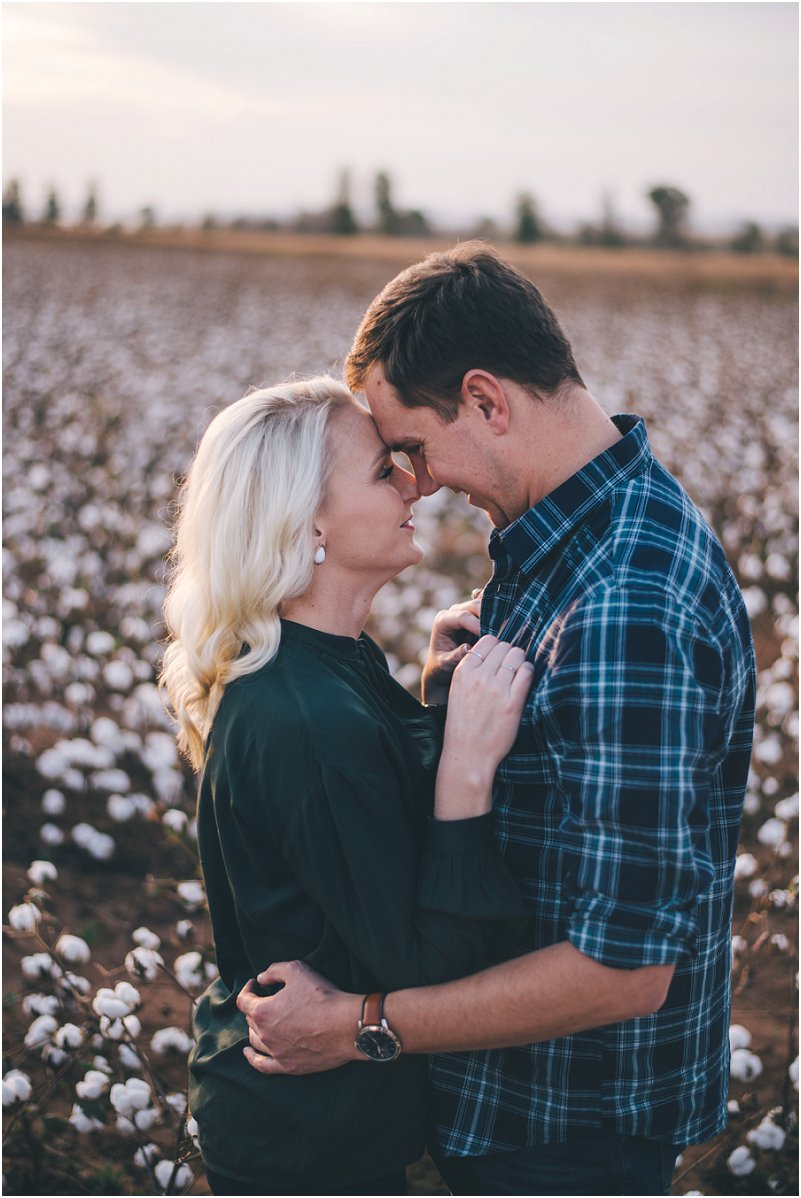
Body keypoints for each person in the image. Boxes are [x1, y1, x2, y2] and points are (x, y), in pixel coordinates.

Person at [237, 244, 757, 1197]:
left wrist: (359, 1024)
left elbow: (622, 969)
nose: (421, 484)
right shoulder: (569, 539)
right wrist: (448, 709)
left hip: (564, 1127)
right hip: (527, 1105)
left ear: (486, 400)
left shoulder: (623, 602)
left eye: (414, 448)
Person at [159, 375, 535, 1196]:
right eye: (381, 471)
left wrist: (435, 701)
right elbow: (424, 968)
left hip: (316, 1126)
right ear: (307, 522)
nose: (414, 483)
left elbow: (374, 833)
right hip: (308, 1151)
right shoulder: (307, 719)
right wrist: (467, 763)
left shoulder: (329, 661)